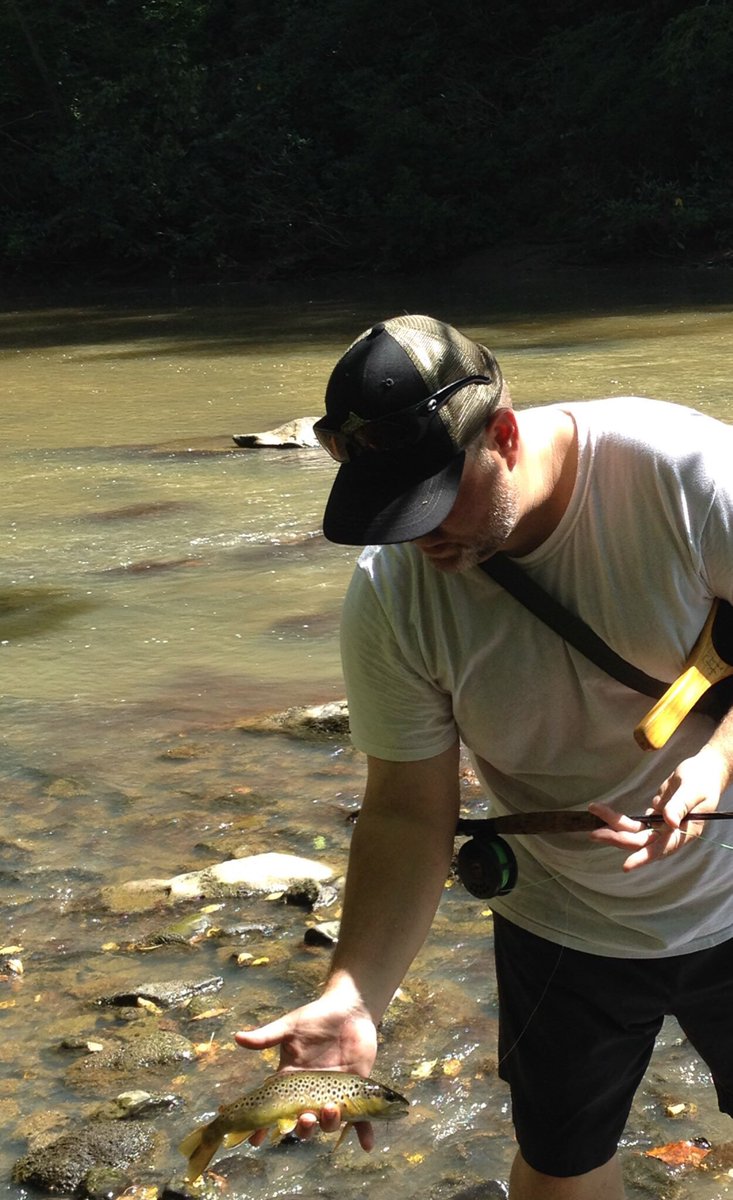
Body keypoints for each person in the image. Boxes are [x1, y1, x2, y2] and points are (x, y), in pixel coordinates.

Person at [236, 314, 733, 1199]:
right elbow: (404, 809)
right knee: (560, 1163)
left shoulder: (687, 477)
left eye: (432, 502)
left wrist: (719, 759)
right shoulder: (393, 596)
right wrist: (355, 993)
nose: (420, 540)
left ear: (502, 434)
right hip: (563, 921)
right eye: (388, 513)